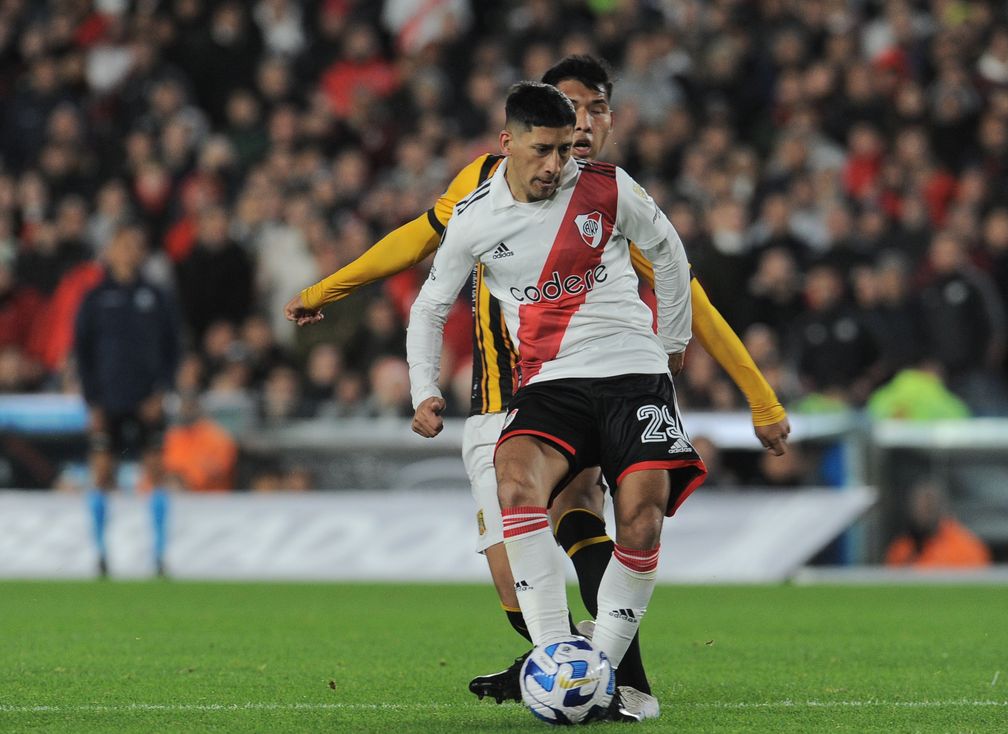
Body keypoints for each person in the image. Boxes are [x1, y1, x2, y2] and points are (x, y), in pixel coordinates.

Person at [283, 55, 790, 717]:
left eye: (598, 110)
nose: (584, 125)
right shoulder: (484, 190)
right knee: (513, 587)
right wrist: (331, 287)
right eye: (571, 109)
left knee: (590, 516)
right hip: (502, 395)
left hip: (590, 379)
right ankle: (556, 660)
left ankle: (616, 683)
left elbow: (683, 284)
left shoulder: (604, 196)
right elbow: (419, 246)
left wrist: (758, 395)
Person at [407, 81, 703, 722]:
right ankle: (559, 663)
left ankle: (607, 670)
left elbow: (669, 252)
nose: (556, 165)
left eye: (566, 150)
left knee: (643, 520)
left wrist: (672, 341)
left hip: (633, 374)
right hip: (553, 384)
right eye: (543, 150)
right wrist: (424, 389)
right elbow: (430, 306)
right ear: (506, 143)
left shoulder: (608, 187)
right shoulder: (477, 218)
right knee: (516, 482)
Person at [74, 224, 182, 577]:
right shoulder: (94, 298)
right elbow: (83, 353)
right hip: (108, 401)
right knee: (102, 472)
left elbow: (173, 348)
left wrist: (162, 389)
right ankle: (101, 555)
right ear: (110, 251)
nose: (128, 252)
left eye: (135, 246)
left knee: (155, 471)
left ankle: (160, 555)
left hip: (147, 399)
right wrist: (93, 402)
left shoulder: (156, 296)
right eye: (122, 246)